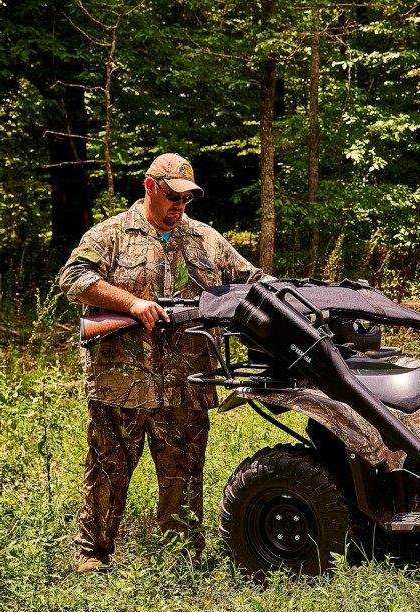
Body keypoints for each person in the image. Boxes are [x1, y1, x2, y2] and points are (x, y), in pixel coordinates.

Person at [59, 153, 268, 572]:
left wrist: (289, 294)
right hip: (122, 381)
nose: (179, 207)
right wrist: (132, 303)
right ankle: (94, 551)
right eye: (172, 197)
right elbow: (73, 278)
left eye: (187, 199)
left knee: (185, 472)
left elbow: (252, 281)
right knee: (108, 468)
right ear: (150, 187)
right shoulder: (112, 234)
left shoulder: (205, 239)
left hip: (187, 381)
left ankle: (181, 555)